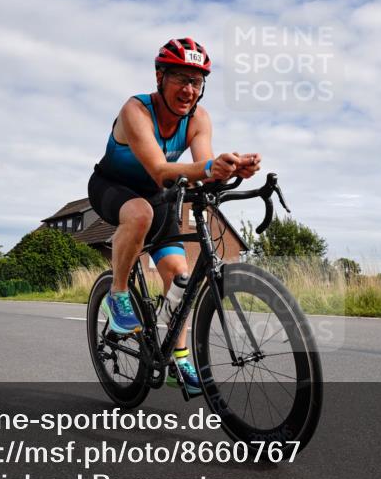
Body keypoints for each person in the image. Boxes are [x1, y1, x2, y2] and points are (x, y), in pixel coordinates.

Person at [87, 37, 261, 396]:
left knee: (180, 280)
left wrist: (231, 169)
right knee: (138, 213)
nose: (188, 89)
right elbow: (161, 170)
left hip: (161, 198)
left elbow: (203, 164)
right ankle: (117, 294)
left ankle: (178, 358)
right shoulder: (135, 110)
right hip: (114, 188)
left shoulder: (198, 118)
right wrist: (210, 167)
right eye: (180, 78)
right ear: (159, 77)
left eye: (196, 82)